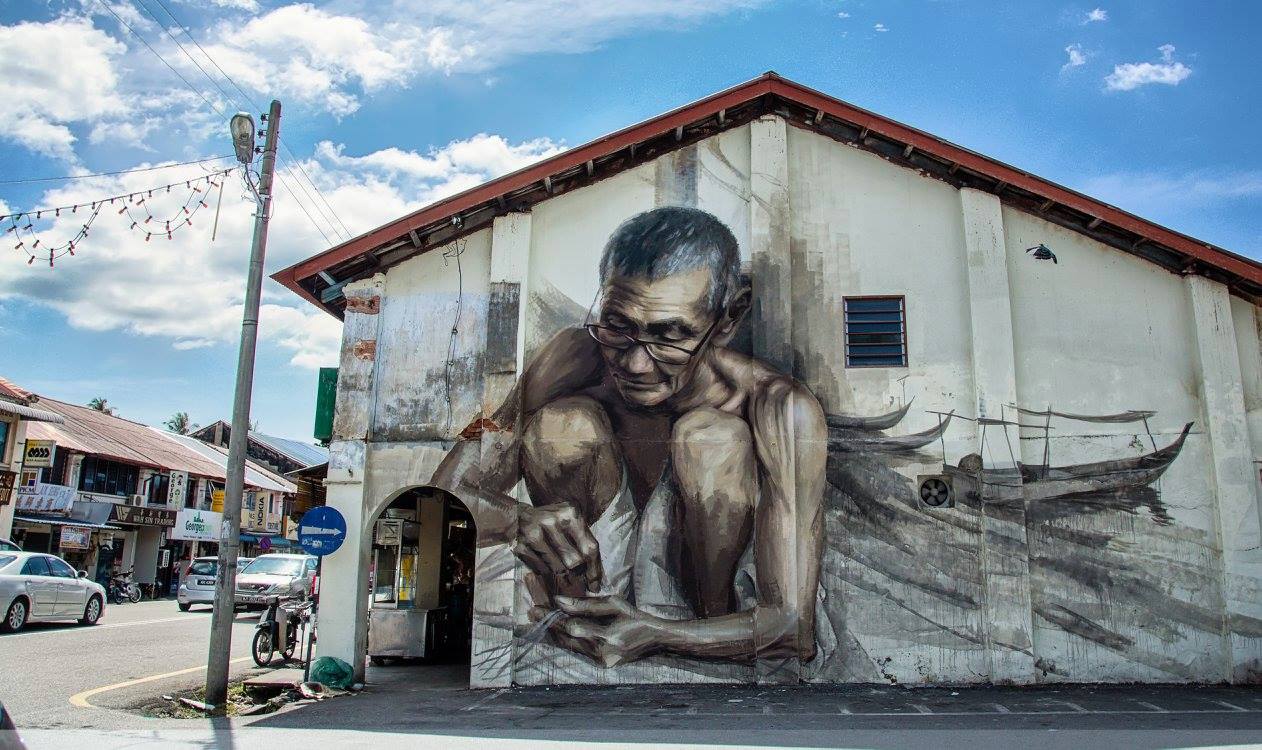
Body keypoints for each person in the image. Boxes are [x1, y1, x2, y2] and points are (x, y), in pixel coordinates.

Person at [432, 206, 826, 669]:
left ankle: (700, 623)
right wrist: (516, 519)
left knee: (711, 440)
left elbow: (792, 627)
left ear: (729, 318)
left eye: (670, 336)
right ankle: (580, 614)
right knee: (564, 426)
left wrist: (658, 636)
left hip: (706, 618)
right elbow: (446, 494)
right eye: (618, 327)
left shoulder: (778, 407)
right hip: (593, 595)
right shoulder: (572, 360)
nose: (635, 365)